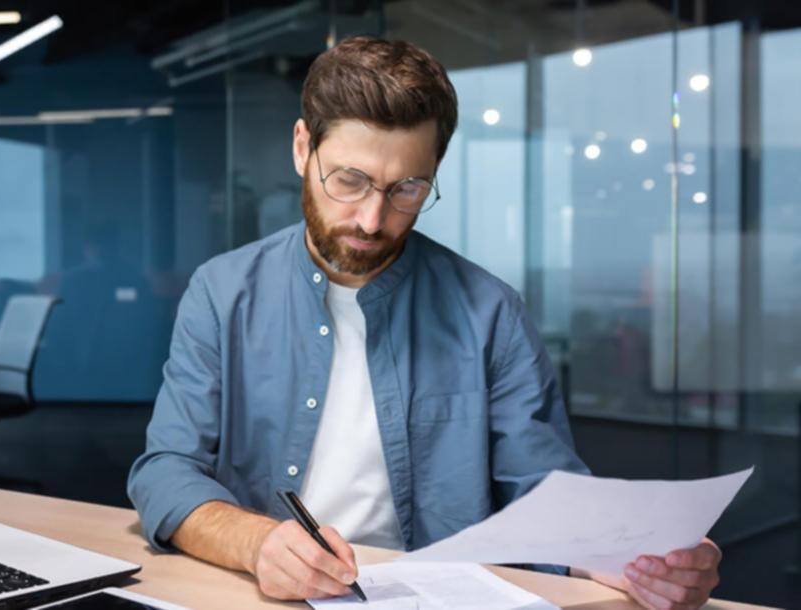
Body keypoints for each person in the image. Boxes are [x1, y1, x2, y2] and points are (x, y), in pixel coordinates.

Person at [128, 37, 721, 610]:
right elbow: (165, 471)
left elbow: (543, 496)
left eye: (407, 189)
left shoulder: (490, 312)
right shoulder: (222, 292)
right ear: (303, 147)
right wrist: (257, 543)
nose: (372, 218)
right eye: (349, 180)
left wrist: (635, 560)